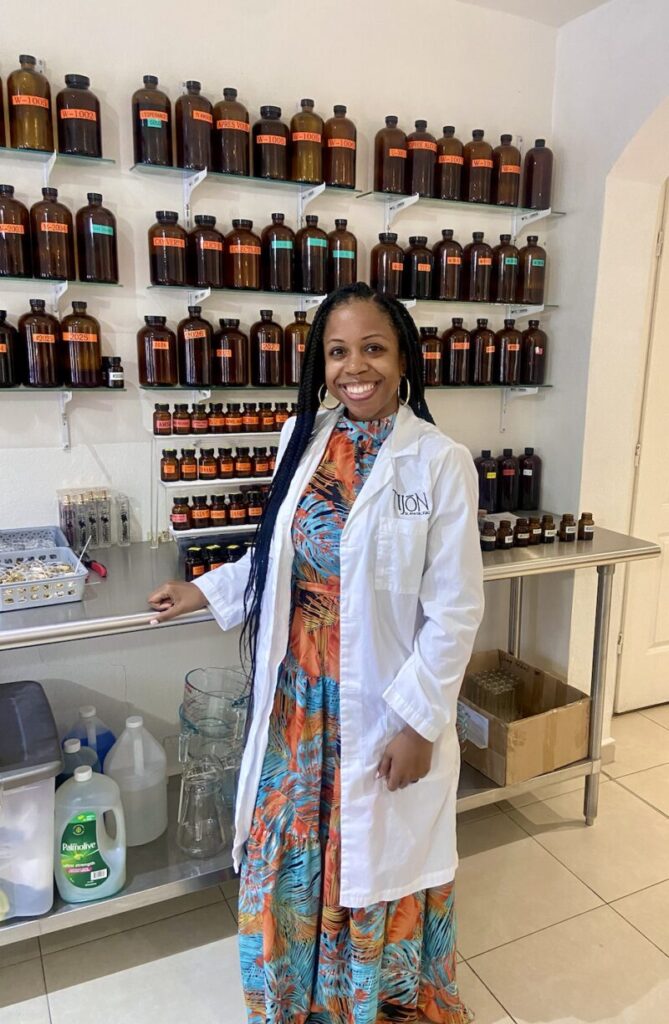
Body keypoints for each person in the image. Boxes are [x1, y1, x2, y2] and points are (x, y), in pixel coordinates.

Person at [149, 282, 484, 1024]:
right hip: (298, 707)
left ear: (402, 360)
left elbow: (455, 610)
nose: (353, 367)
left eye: (372, 348)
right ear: (319, 362)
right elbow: (280, 557)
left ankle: (371, 1007)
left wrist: (419, 722)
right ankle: (296, 1006)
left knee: (373, 865)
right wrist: (203, 591)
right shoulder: (300, 441)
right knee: (293, 856)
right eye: (337, 351)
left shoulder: (437, 461)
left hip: (380, 708)